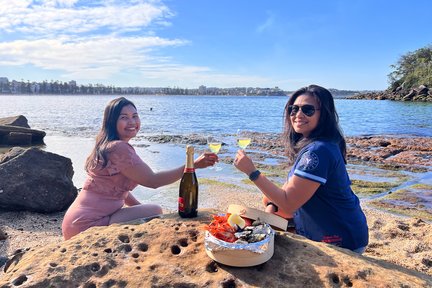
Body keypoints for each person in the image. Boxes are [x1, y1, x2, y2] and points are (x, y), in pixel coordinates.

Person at [234, 84, 368, 253]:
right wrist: (272, 206)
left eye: (308, 110)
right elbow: (288, 200)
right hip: (331, 232)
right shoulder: (318, 145)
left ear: (324, 114)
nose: (298, 115)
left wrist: (252, 172)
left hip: (340, 240)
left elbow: (289, 204)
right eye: (293, 109)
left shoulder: (317, 152)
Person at [62, 97, 217, 240]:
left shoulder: (106, 144)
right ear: (111, 122)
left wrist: (139, 208)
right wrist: (193, 165)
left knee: (149, 210)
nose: (131, 122)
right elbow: (153, 181)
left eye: (135, 116)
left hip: (73, 223)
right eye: (124, 117)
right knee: (155, 210)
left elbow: (118, 189)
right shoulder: (119, 148)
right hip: (87, 225)